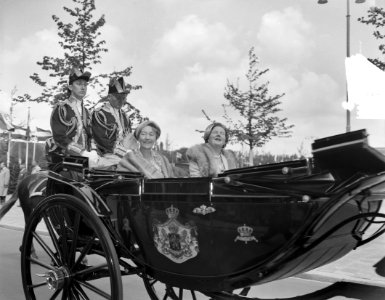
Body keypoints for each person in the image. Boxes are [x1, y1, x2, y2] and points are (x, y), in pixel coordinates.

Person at [47, 67, 99, 167]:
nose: (83, 87)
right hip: (65, 159)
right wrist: (82, 152)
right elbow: (59, 137)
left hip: (86, 160)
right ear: (70, 87)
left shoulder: (87, 113)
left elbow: (91, 135)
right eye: (79, 84)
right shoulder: (61, 108)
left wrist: (93, 151)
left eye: (85, 84)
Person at [91, 77, 138, 169]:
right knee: (130, 168)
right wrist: (124, 152)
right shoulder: (99, 114)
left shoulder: (125, 117)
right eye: (118, 97)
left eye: (123, 98)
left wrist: (134, 152)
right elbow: (102, 142)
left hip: (125, 155)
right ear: (109, 97)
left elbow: (130, 139)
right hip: (105, 155)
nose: (121, 101)